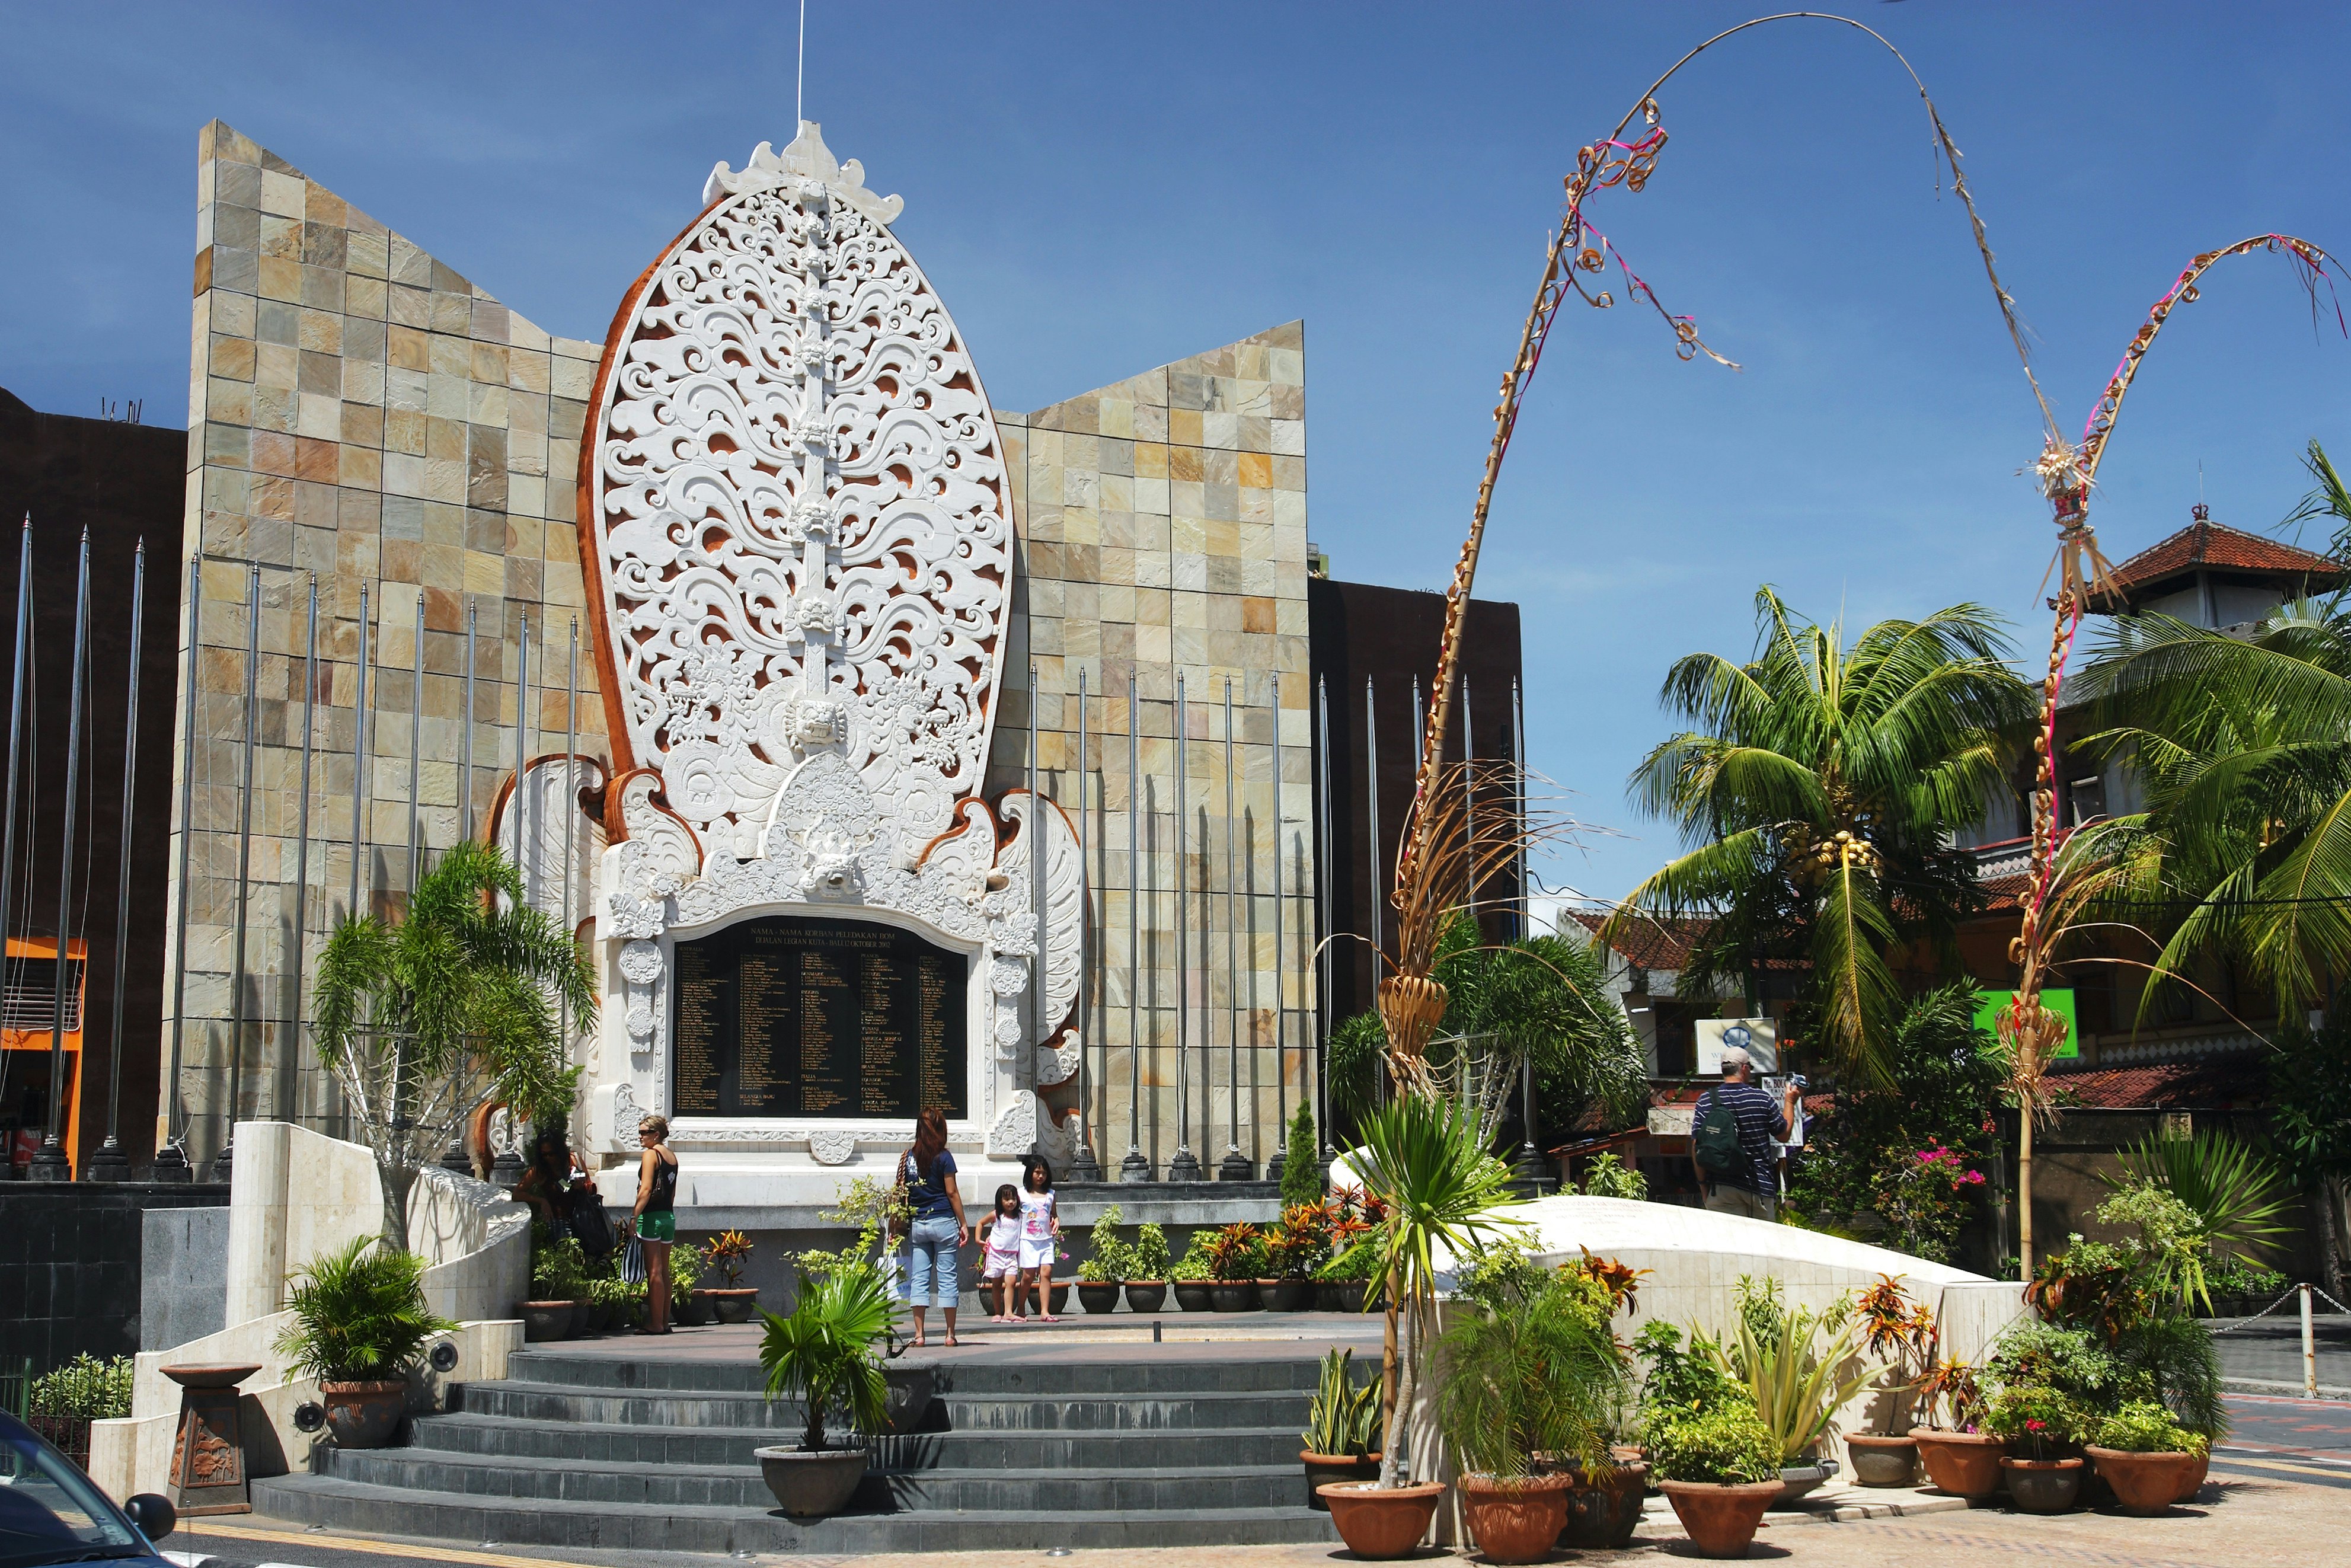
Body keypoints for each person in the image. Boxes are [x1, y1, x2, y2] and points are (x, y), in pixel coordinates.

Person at [1689, 1045, 1800, 1221]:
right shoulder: (1761, 1099)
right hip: (1759, 1188)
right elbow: (1784, 1134)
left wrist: (1704, 1187)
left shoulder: (1706, 1100)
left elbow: (1697, 1147)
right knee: (1762, 1245)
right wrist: (1790, 1101)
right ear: (1745, 1069)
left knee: (1728, 1246)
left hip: (1721, 1188)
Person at [896, 1107, 967, 1347]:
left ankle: (919, 1335)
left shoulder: (909, 1157)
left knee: (919, 1278)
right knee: (947, 1278)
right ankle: (949, 1334)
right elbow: (952, 1192)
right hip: (944, 1222)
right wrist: (964, 1223)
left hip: (918, 1224)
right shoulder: (944, 1157)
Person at [629, 1114, 679, 1334]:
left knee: (655, 1271)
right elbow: (673, 1191)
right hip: (668, 1216)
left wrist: (634, 1217)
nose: (640, 1137)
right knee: (665, 1271)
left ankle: (656, 1324)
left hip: (651, 1217)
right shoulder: (672, 1156)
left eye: (644, 1133)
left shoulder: (651, 1155)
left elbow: (646, 1189)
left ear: (656, 1135)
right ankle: (665, 1321)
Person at [1014, 1155, 1061, 1323]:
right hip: (1027, 1240)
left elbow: (1054, 1215)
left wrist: (1056, 1221)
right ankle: (1020, 1307)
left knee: (1046, 1273)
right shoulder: (1020, 1194)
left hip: (1046, 1240)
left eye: (1044, 1173)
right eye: (1037, 1172)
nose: (1041, 1176)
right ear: (1030, 1173)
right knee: (1028, 1275)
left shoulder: (1050, 1195)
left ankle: (1045, 1311)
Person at [978, 1184, 1023, 1322]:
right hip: (996, 1254)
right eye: (1007, 1199)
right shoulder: (997, 1215)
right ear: (1000, 1200)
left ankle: (1008, 1312)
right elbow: (980, 1223)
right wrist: (978, 1240)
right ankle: (998, 1312)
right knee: (996, 1284)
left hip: (1011, 1255)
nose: (1011, 1202)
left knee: (1011, 1282)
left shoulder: (1020, 1216)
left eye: (1013, 1199)